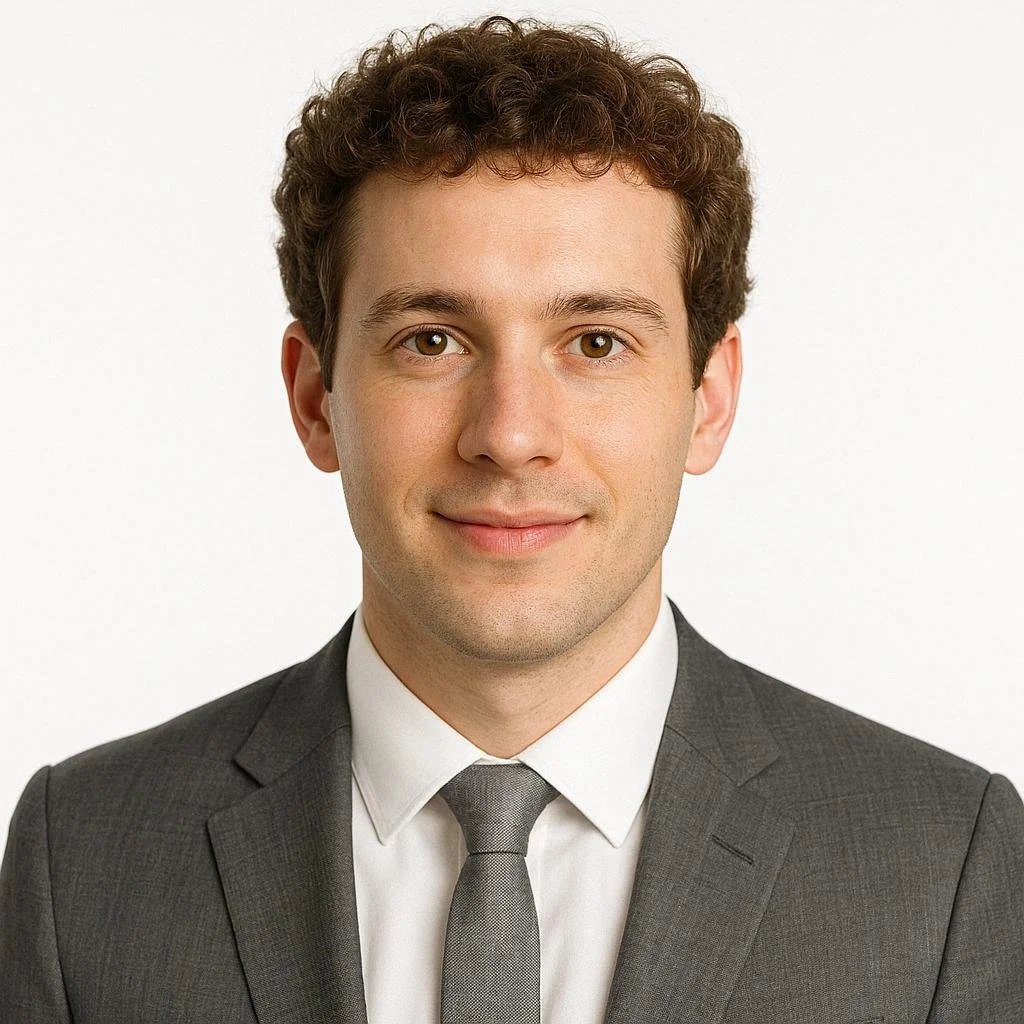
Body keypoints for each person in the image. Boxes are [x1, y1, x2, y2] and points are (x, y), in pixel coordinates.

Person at [2, 13, 1022, 1023]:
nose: (510, 435)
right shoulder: (81, 861)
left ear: (708, 399)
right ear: (315, 397)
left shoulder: (943, 869)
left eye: (594, 343)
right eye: (433, 340)